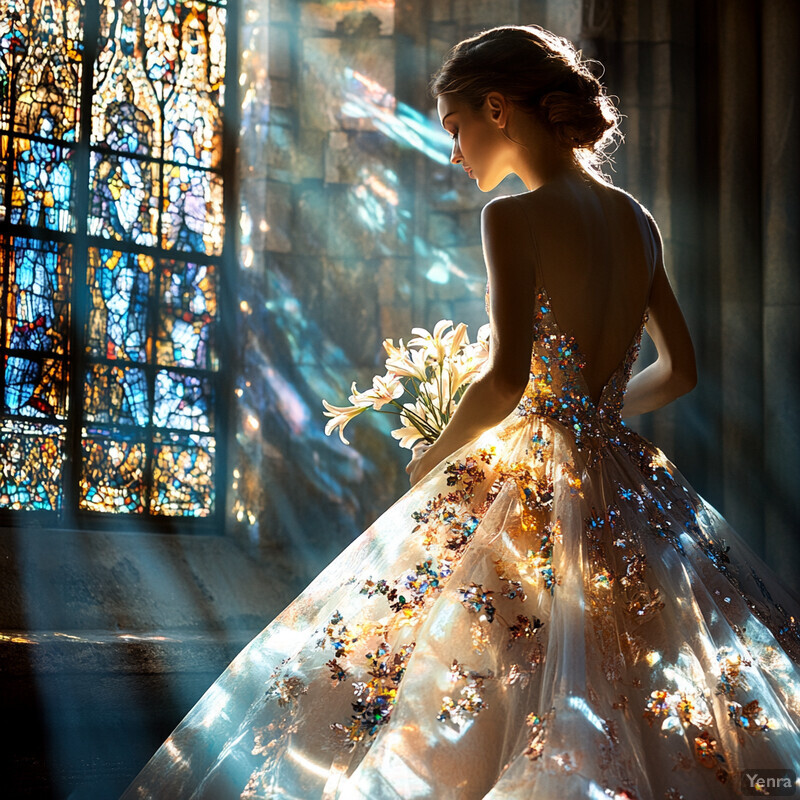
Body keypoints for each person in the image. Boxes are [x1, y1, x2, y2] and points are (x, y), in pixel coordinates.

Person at [122, 25, 800, 800]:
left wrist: (437, 452)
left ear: (499, 107)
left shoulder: (513, 220)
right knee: (646, 676)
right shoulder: (637, 222)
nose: (454, 151)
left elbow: (507, 378)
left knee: (468, 669)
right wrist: (594, 416)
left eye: (456, 128)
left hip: (535, 477)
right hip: (622, 475)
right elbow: (680, 372)